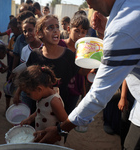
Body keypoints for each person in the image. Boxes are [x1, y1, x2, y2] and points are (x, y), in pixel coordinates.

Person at [34, 1, 140, 149]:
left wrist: (61, 129)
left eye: (89, 0)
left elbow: (99, 94)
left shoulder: (123, 28)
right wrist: (106, 32)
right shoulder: (131, 10)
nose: (89, 6)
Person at [13, 15, 89, 117]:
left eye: (57, 27)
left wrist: (92, 59)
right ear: (39, 33)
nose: (56, 30)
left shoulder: (68, 55)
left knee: (58, 129)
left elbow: (82, 72)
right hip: (38, 106)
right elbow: (27, 78)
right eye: (50, 27)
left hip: (61, 104)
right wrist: (18, 92)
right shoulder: (35, 55)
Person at [18, 65, 68, 145]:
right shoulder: (42, 96)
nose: (27, 96)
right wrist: (30, 118)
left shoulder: (54, 101)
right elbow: (40, 110)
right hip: (41, 135)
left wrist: (56, 131)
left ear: (39, 89)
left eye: (28, 93)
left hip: (52, 140)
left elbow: (65, 122)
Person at [59, 14, 90, 114]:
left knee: (67, 118)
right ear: (69, 29)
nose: (80, 35)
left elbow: (83, 73)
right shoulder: (59, 45)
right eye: (76, 31)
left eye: (83, 32)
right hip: (57, 90)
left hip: (74, 92)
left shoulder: (84, 51)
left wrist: (92, 61)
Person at [5, 18, 21, 111]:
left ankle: (16, 108)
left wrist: (12, 53)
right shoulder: (13, 37)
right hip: (11, 66)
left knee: (18, 88)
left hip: (18, 68)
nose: (12, 31)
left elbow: (17, 55)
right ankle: (7, 107)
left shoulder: (22, 40)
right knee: (9, 86)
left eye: (13, 29)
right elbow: (9, 49)